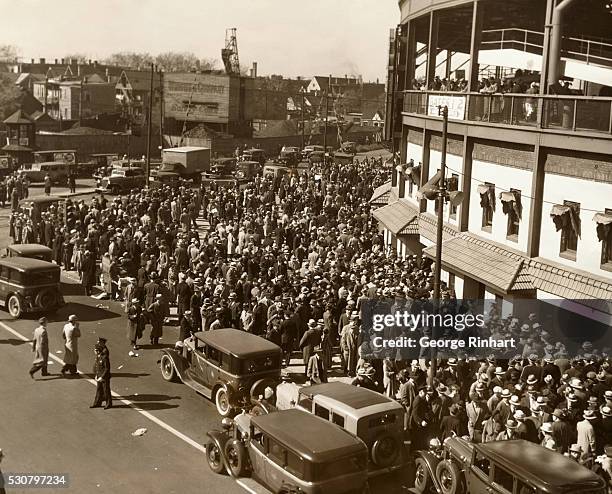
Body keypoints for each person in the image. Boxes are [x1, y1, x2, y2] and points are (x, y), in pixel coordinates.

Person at [90, 337, 112, 409]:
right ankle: (97, 403)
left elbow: (107, 368)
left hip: (104, 377)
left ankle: (108, 403)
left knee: (106, 390)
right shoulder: (98, 356)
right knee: (99, 390)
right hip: (99, 376)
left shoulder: (104, 357)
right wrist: (96, 375)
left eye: (95, 350)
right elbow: (96, 367)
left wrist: (102, 377)